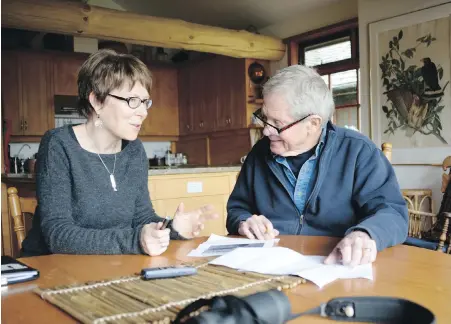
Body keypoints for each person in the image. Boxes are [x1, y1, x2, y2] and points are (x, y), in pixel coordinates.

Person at [21, 49, 217, 256]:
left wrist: (171, 228)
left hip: (111, 265)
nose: (143, 112)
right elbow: (58, 235)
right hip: (52, 269)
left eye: (145, 102)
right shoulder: (58, 145)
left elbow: (142, 218)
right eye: (132, 100)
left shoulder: (134, 150)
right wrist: (135, 240)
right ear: (97, 101)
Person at [226, 65, 408, 266]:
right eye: (264, 118)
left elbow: (393, 213)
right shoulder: (259, 154)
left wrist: (365, 234)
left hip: (336, 265)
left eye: (276, 123)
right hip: (269, 264)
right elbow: (237, 208)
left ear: (313, 123)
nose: (266, 131)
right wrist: (244, 221)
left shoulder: (358, 152)